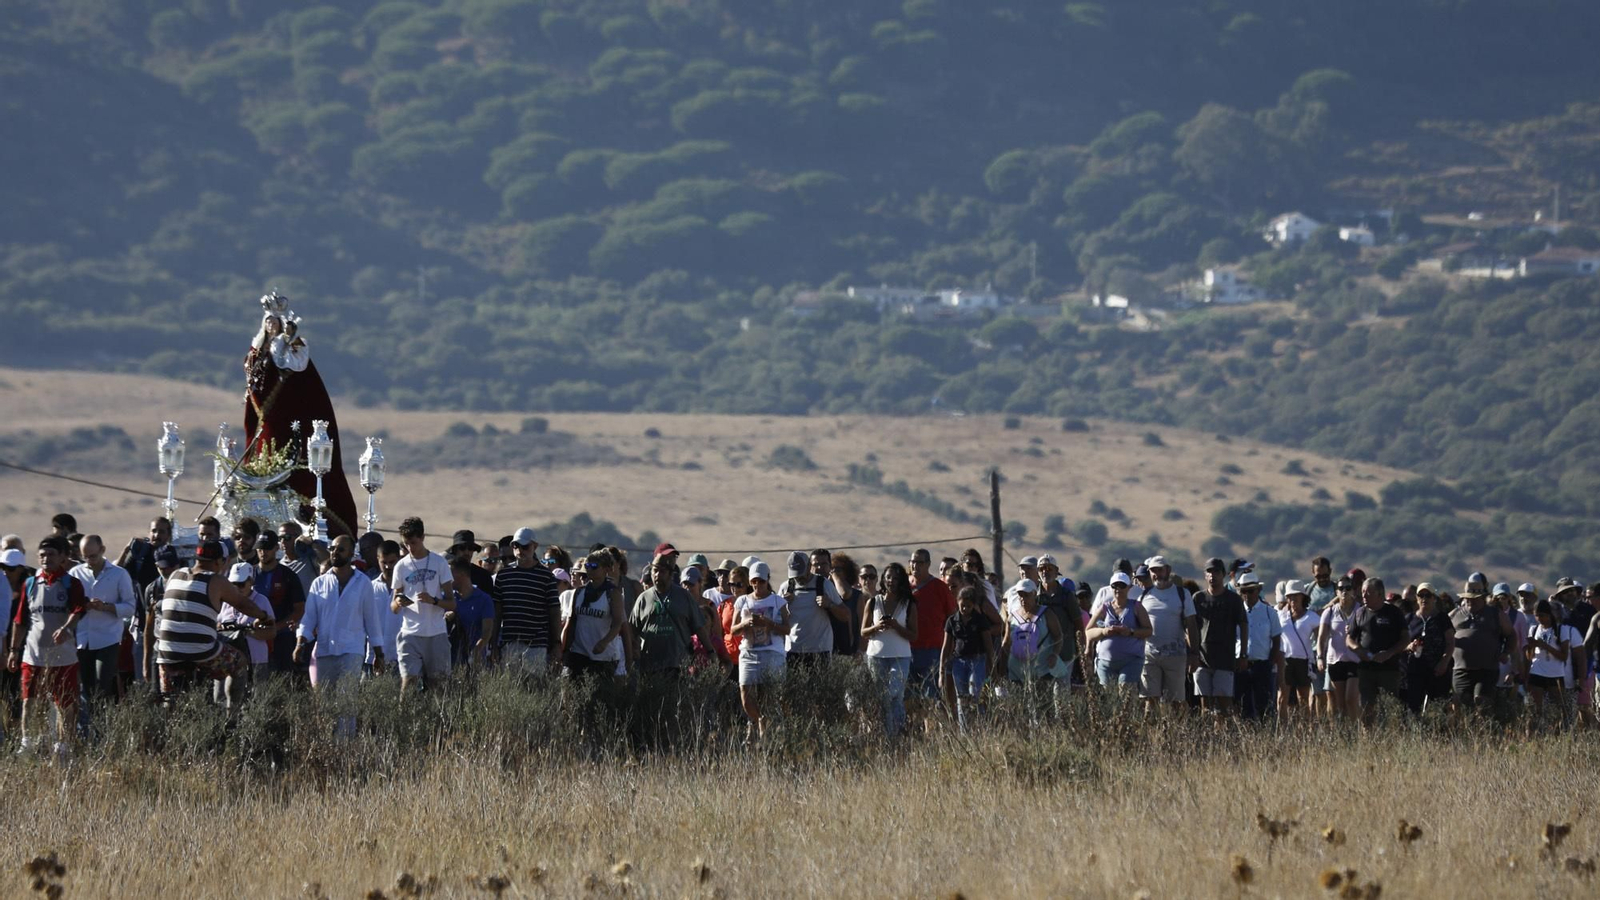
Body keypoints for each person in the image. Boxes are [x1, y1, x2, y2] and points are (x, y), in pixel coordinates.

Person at [154, 540, 275, 708]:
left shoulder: (175, 576)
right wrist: (263, 616)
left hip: (167, 653)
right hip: (201, 652)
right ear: (219, 561)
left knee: (170, 700)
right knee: (239, 662)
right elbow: (243, 604)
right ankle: (231, 715)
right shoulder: (216, 580)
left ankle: (167, 719)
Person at [8, 537, 88, 758]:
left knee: (65, 704)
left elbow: (78, 610)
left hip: (63, 656)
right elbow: (20, 620)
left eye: (51, 554)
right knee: (29, 701)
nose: (46, 558)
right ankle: (28, 743)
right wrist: (14, 650)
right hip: (33, 655)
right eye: (42, 555)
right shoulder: (31, 583)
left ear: (63, 557)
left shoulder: (72, 584)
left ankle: (63, 746)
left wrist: (65, 628)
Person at [295, 535, 383, 732]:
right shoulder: (319, 583)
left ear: (352, 553)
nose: (335, 552)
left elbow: (372, 621)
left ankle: (346, 748)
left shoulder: (363, 584)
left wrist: (379, 653)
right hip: (325, 651)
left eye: (340, 549)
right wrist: (300, 642)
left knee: (346, 701)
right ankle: (326, 747)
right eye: (333, 548)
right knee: (324, 704)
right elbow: (309, 618)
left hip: (352, 651)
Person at [68, 534, 136, 724]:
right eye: (85, 557)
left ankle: (104, 727)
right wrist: (82, 604)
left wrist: (106, 607)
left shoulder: (118, 574)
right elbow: (68, 602)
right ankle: (89, 729)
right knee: (86, 688)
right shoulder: (75, 573)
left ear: (102, 550)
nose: (89, 561)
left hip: (108, 638)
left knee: (102, 684)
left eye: (93, 556)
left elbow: (130, 606)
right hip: (82, 639)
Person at [391, 517, 455, 692]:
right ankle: (403, 717)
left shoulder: (439, 562)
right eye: (406, 544)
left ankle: (437, 718)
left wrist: (433, 600)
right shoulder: (401, 566)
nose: (410, 548)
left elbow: (452, 603)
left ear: (422, 537)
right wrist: (399, 602)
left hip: (436, 633)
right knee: (408, 682)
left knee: (438, 685)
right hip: (410, 633)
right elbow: (393, 607)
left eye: (413, 542)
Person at [630, 558, 720, 679]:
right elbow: (632, 630)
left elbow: (699, 626)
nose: (657, 575)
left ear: (670, 574)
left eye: (662, 571)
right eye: (655, 570)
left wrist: (710, 651)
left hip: (677, 664)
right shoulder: (643, 598)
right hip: (649, 664)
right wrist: (632, 651)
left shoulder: (684, 596)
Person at [731, 561, 791, 741]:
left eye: (761, 582)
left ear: (767, 581)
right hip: (749, 652)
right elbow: (733, 629)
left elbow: (787, 629)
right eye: (754, 581)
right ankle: (759, 721)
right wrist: (745, 624)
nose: (757, 585)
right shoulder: (742, 601)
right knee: (745, 692)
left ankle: (770, 733)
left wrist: (769, 623)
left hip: (772, 652)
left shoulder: (778, 601)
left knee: (769, 694)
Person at [493, 527, 560, 673]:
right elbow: (497, 612)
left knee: (534, 688)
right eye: (516, 546)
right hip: (510, 643)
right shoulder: (503, 575)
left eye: (524, 546)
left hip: (536, 644)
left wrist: (556, 644)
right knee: (510, 688)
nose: (520, 550)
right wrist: (494, 644)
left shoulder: (546, 577)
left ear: (534, 546)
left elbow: (554, 611)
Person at [1136, 556, 1197, 716]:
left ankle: (1176, 736)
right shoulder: (1143, 596)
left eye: (1159, 569)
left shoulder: (1182, 594)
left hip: (1176, 656)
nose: (1157, 574)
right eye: (1153, 571)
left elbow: (1191, 625)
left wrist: (1194, 653)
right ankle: (1152, 737)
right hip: (1149, 656)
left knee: (1176, 701)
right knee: (1150, 700)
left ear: (1168, 570)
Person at [862, 562, 918, 738]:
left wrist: (896, 626)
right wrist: (877, 626)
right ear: (883, 580)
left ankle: (897, 732)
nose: (891, 581)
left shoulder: (908, 604)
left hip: (900, 655)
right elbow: (863, 632)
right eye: (888, 577)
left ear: (901, 580)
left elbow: (914, 635)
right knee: (882, 697)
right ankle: (885, 735)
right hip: (876, 655)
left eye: (895, 578)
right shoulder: (873, 602)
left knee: (894, 693)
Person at [1344, 576, 1408, 726]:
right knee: (1366, 706)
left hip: (1389, 670)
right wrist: (1359, 650)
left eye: (1368, 592)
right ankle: (1368, 741)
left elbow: (1405, 639)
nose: (1364, 596)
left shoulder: (1394, 613)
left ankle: (1389, 740)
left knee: (1388, 708)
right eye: (1363, 592)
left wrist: (1389, 653)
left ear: (1380, 594)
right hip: (1366, 669)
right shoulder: (1359, 613)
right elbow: (1349, 639)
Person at [1190, 558, 1249, 716]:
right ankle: (1209, 738)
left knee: (1224, 706)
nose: (1212, 575)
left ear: (1223, 574)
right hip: (1202, 659)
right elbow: (1190, 627)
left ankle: (1226, 738)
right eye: (1209, 571)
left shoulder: (1233, 600)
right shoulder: (1198, 599)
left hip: (1225, 659)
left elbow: (1243, 626)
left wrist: (1243, 654)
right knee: (1205, 706)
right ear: (1204, 575)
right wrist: (1193, 653)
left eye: (1216, 571)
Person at [1450, 578, 1516, 715]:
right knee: (1462, 706)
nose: (1470, 601)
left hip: (1487, 670)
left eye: (1473, 598)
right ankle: (1467, 734)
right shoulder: (1454, 615)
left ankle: (1484, 733)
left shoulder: (1495, 614)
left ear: (1482, 597)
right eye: (1467, 598)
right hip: (1460, 670)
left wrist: (1506, 652)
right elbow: (1443, 637)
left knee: (1482, 703)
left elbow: (1511, 635)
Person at [558, 551, 626, 681]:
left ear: (606, 569)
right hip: (578, 652)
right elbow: (572, 622)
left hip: (603, 657)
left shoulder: (613, 594)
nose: (589, 569)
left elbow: (618, 623)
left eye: (594, 566)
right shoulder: (579, 592)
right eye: (587, 565)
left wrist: (604, 642)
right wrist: (564, 650)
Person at [940, 585, 997, 730]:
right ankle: (964, 730)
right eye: (962, 605)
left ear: (974, 605)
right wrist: (942, 671)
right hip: (958, 662)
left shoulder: (980, 620)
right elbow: (946, 647)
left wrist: (992, 665)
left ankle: (980, 726)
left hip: (977, 660)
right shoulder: (952, 621)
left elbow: (988, 645)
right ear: (957, 602)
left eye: (969, 606)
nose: (965, 609)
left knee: (975, 693)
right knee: (962, 697)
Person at [1085, 572, 1151, 695]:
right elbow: (1089, 632)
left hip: (1131, 661)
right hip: (1105, 663)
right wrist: (1104, 631)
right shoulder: (1104, 608)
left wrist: (1130, 632)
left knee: (1126, 695)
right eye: (1115, 586)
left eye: (1122, 585)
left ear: (1129, 587)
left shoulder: (1136, 607)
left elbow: (1148, 630)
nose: (1118, 589)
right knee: (1110, 699)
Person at [780, 550, 845, 668]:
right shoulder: (786, 587)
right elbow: (776, 620)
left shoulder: (824, 585)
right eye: (795, 574)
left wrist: (830, 604)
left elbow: (846, 615)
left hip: (820, 651)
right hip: (792, 650)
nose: (798, 578)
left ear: (809, 566)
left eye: (801, 573)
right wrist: (783, 606)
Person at [217, 563, 273, 699]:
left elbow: (272, 632)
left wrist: (247, 632)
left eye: (241, 584)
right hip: (227, 660)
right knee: (221, 698)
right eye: (233, 584)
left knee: (256, 700)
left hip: (255, 659)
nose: (237, 588)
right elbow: (216, 625)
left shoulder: (261, 601)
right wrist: (225, 629)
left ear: (250, 582)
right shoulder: (225, 601)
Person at [907, 548, 957, 700]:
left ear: (928, 564)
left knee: (930, 698)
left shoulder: (939, 587)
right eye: (912, 562)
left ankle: (930, 725)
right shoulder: (905, 587)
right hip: (906, 649)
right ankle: (912, 725)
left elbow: (952, 617)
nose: (915, 566)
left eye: (919, 562)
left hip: (932, 650)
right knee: (908, 698)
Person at [1233, 572, 1282, 720]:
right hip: (1241, 665)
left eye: (1251, 590)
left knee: (1265, 707)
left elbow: (1276, 640)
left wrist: (1269, 663)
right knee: (1242, 707)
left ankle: (1266, 737)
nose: (1247, 594)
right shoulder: (1235, 613)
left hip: (1262, 665)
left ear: (1258, 590)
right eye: (1243, 591)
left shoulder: (1269, 613)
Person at [1403, 583, 1454, 716]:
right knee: (1413, 709)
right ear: (1417, 598)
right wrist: (1409, 646)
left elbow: (1450, 642)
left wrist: (1444, 661)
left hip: (1437, 670)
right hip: (1415, 670)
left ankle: (1437, 735)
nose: (1424, 599)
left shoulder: (1442, 618)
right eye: (1421, 595)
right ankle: (1416, 735)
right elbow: (1401, 642)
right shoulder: (1410, 619)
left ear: (1434, 598)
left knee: (1437, 709)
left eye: (1428, 595)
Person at [1317, 577, 1362, 721]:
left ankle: (1356, 730)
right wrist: (1320, 657)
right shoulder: (1330, 612)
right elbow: (1322, 637)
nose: (1344, 592)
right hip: (1336, 661)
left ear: (1354, 591)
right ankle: (1344, 734)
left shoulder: (1360, 611)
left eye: (1348, 588)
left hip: (1355, 660)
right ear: (1336, 591)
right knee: (1339, 703)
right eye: (1341, 588)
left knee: (1351, 698)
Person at [1524, 600, 1570, 733]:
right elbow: (1529, 657)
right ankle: (1533, 737)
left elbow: (1563, 656)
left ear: (1550, 615)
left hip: (1555, 674)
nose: (1540, 619)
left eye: (1543, 615)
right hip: (1537, 672)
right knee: (1534, 709)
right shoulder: (1533, 629)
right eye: (1537, 615)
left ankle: (1557, 735)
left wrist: (1545, 646)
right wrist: (1531, 647)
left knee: (1559, 710)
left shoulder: (1561, 630)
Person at [1277, 581, 1318, 718]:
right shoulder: (1281, 616)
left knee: (1303, 698)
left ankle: (1304, 730)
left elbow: (1321, 637)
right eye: (1290, 596)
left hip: (1303, 660)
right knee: (1282, 696)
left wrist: (1318, 655)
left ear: (1303, 597)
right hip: (1285, 660)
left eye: (1296, 596)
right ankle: (1281, 728)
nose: (1292, 600)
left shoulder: (1311, 617)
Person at [447, 559, 496, 672]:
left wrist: (478, 649)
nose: (445, 578)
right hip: (449, 659)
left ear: (462, 575)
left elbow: (487, 630)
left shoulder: (483, 599)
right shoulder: (447, 598)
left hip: (474, 660)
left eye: (449, 574)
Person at [365, 540, 402, 677]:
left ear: (399, 560)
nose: (388, 566)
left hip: (400, 657)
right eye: (384, 562)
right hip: (373, 657)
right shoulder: (370, 587)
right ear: (378, 560)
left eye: (392, 562)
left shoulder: (408, 588)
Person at [828, 553, 864, 657]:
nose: (833, 572)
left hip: (849, 650)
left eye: (838, 569)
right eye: (831, 569)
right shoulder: (825, 594)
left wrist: (860, 651)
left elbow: (844, 594)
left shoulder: (856, 596)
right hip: (829, 648)